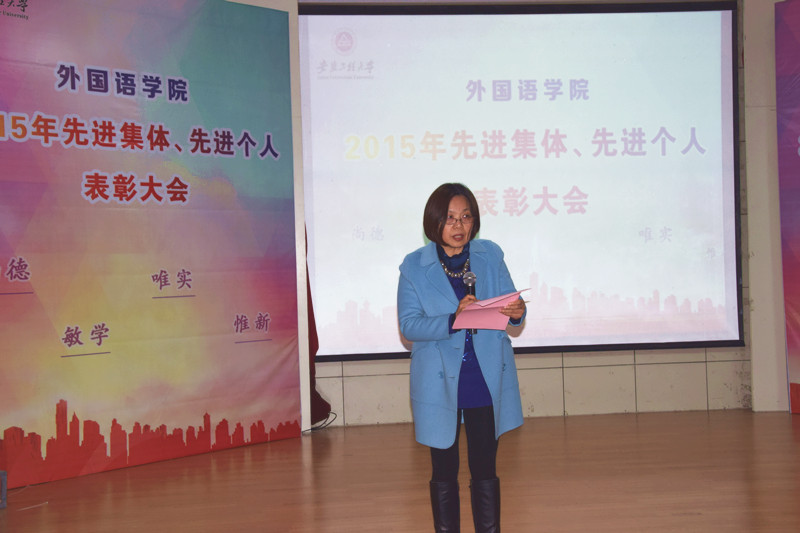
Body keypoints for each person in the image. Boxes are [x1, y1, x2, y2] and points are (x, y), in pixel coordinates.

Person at [397, 183, 526, 533]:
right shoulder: (414, 266)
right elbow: (409, 326)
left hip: (483, 376)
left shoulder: (490, 255)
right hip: (439, 379)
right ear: (434, 222)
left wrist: (517, 312)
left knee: (485, 467)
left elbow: (511, 306)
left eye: (466, 217)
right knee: (444, 469)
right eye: (450, 218)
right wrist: (454, 319)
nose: (459, 226)